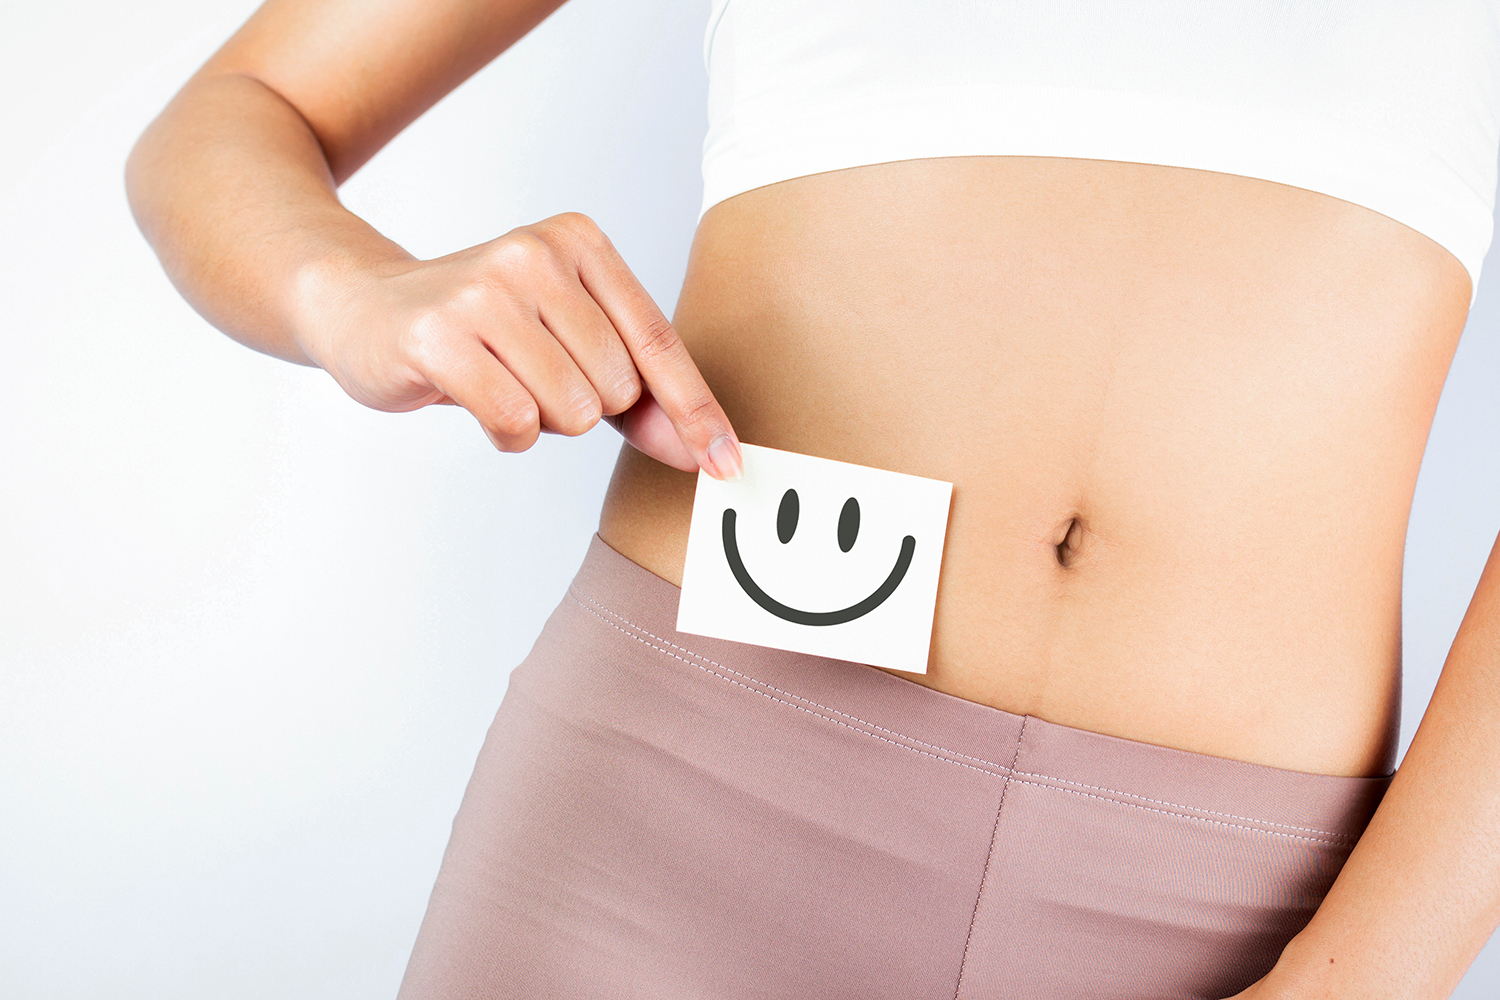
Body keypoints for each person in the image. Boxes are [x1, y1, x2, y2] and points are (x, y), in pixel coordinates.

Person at [125, 0, 1500, 996]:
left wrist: (1363, 982)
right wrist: (347, 289)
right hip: (673, 823)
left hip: (1243, 908)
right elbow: (240, 114)